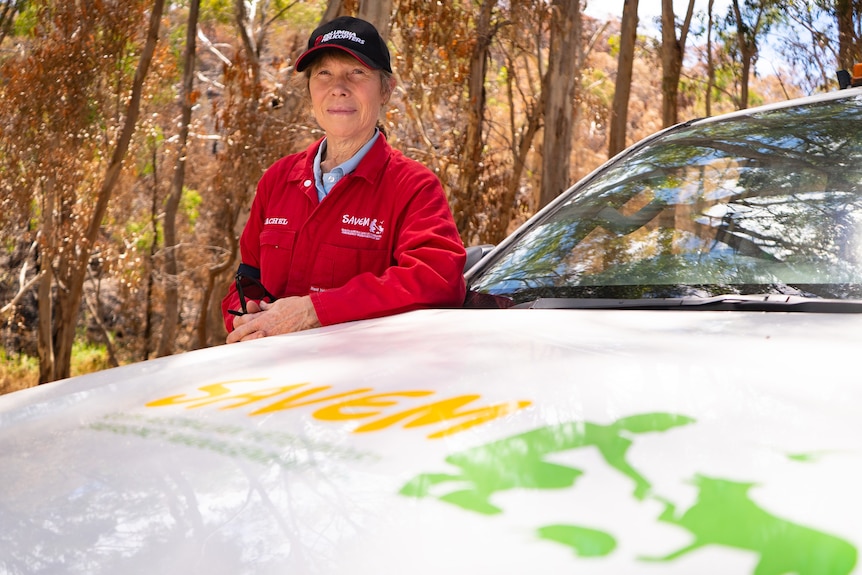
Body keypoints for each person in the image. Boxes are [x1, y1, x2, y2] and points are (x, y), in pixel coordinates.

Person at [222, 16, 467, 343]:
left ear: (386, 90)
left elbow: (437, 280)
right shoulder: (279, 179)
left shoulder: (413, 187)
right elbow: (247, 278)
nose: (338, 88)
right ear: (309, 90)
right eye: (324, 73)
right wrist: (245, 320)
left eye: (357, 72)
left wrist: (313, 311)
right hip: (270, 374)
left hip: (361, 383)